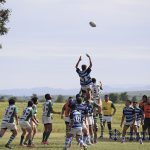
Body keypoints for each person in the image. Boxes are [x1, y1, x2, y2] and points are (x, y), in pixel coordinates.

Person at [91, 78, 103, 142]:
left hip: (93, 100)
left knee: (94, 115)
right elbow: (101, 88)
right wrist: (101, 83)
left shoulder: (90, 85)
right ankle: (101, 121)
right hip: (98, 99)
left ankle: (96, 122)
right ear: (95, 81)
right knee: (100, 110)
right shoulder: (97, 85)